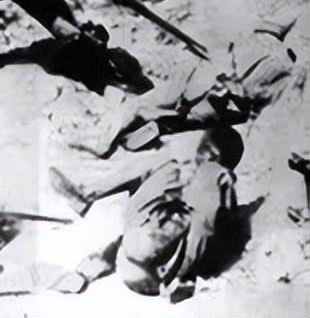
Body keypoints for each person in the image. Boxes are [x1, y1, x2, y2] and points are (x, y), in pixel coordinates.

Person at [51, 126, 246, 299]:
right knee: (155, 209)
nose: (202, 158)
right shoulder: (205, 183)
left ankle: (87, 197)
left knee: (165, 174)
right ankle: (89, 266)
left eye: (211, 154)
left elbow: (203, 228)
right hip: (146, 268)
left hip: (150, 269)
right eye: (202, 150)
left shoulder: (214, 179)